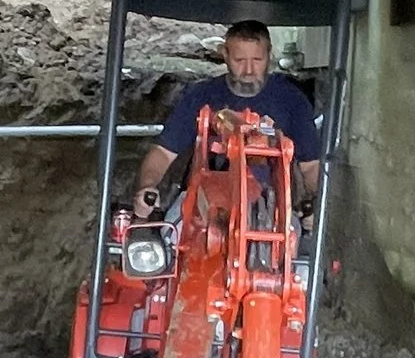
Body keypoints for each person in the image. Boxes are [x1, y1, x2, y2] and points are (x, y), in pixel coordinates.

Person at [132, 18, 322, 216]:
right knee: (170, 231)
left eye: (257, 60)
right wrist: (147, 187)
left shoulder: (291, 101)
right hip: (202, 201)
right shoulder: (201, 96)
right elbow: (164, 152)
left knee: (294, 235)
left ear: (269, 54)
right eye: (240, 61)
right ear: (225, 54)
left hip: (272, 207)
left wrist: (317, 202)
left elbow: (310, 166)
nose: (249, 71)